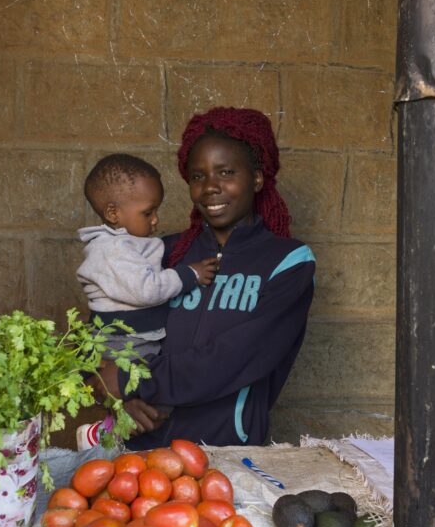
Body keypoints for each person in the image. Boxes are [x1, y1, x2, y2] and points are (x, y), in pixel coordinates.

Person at [94, 107, 316, 449]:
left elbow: (234, 358)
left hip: (226, 452)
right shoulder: (162, 253)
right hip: (143, 454)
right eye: (198, 177)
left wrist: (130, 380)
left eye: (226, 172)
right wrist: (117, 399)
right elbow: (105, 330)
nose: (211, 187)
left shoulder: (287, 262)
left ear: (256, 178)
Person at [76, 153, 217, 448]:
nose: (156, 220)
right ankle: (98, 436)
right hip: (120, 342)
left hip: (137, 340)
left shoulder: (127, 244)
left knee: (153, 403)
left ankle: (110, 432)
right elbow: (147, 290)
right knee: (150, 403)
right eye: (148, 212)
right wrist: (188, 275)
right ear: (114, 214)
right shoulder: (111, 250)